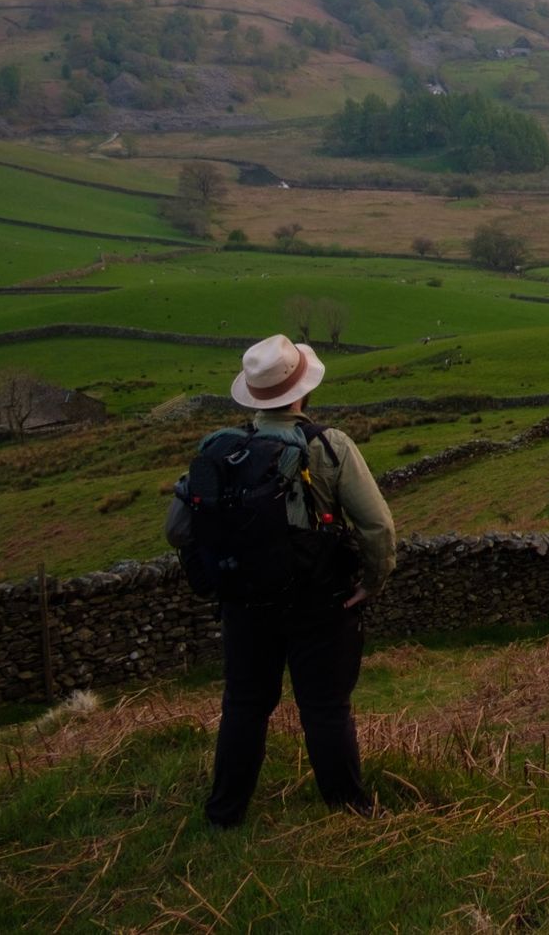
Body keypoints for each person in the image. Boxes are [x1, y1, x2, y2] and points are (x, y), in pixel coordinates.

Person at [165, 334, 397, 828]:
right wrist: (372, 583)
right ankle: (348, 808)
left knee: (245, 705)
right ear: (302, 391)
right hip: (319, 602)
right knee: (325, 707)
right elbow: (378, 526)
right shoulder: (329, 446)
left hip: (244, 603)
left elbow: (177, 528)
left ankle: (224, 814)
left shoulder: (220, 450)